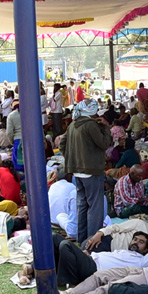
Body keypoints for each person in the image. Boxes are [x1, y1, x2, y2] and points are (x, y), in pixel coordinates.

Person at [62, 99, 112, 245]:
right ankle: (91, 241)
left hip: (77, 171)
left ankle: (82, 238)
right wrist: (106, 128)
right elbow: (103, 143)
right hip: (91, 170)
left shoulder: (72, 124)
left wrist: (71, 159)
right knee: (94, 207)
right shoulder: (90, 125)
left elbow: (62, 144)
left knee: (82, 205)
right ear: (90, 110)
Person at [56, 232, 148, 288]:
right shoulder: (124, 252)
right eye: (135, 239)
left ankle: (71, 282)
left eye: (141, 242)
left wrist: (147, 249)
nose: (135, 242)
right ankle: (58, 275)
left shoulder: (142, 261)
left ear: (146, 249)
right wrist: (90, 254)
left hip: (93, 269)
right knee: (55, 237)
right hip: (90, 260)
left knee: (66, 245)